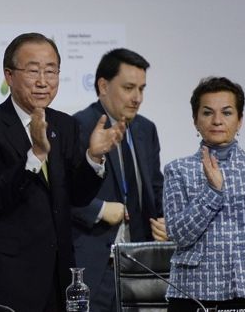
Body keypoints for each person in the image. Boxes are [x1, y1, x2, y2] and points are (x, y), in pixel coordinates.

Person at [0, 33, 124, 312]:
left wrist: (93, 156)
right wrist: (35, 154)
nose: (43, 81)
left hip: (58, 275)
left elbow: (77, 196)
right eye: (33, 71)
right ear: (9, 76)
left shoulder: (64, 125)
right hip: (6, 278)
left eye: (51, 71)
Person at [71, 48, 166, 311]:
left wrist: (169, 222)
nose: (137, 98)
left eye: (142, 89)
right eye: (129, 88)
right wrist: (100, 210)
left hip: (142, 264)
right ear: (103, 85)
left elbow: (155, 188)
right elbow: (62, 194)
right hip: (96, 264)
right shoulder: (77, 126)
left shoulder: (146, 129)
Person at [164, 77, 245, 311]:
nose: (217, 121)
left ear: (240, 120)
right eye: (207, 113)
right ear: (195, 120)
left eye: (226, 113)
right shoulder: (178, 169)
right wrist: (212, 192)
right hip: (195, 292)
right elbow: (178, 235)